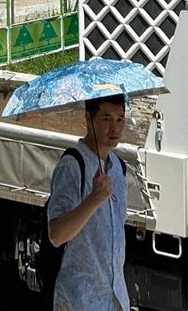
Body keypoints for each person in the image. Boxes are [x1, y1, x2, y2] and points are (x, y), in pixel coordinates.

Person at [46, 94, 130, 311]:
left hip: (115, 298)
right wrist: (93, 199)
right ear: (88, 118)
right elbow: (56, 235)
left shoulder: (118, 167)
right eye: (106, 119)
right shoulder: (72, 166)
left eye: (120, 119)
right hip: (79, 300)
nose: (115, 127)